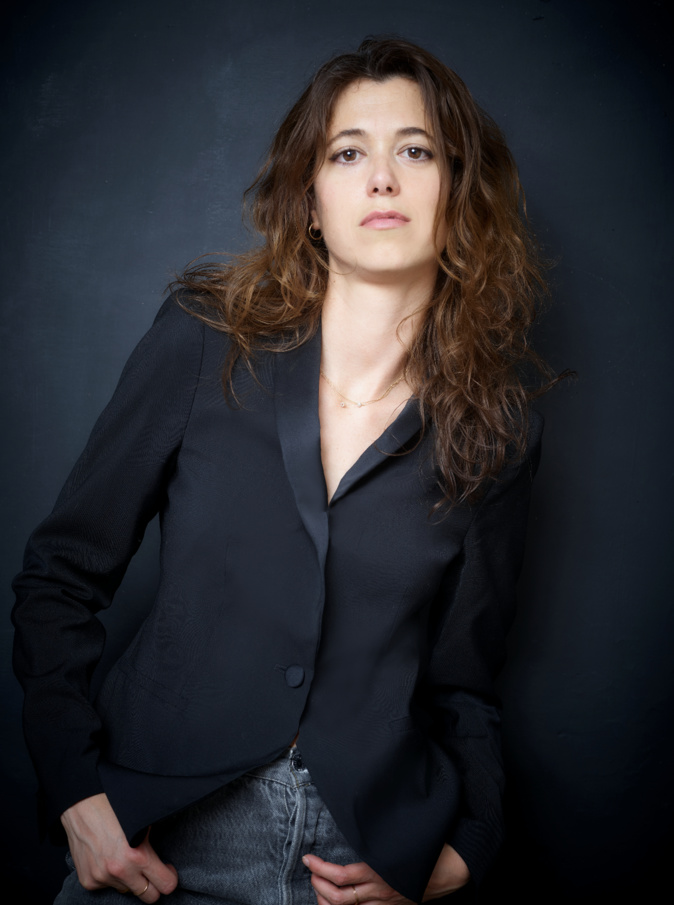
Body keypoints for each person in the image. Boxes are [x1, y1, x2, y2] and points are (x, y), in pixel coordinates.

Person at [12, 36, 556, 905]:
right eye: (348, 154)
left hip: (360, 857)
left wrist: (466, 845)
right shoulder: (205, 340)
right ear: (309, 200)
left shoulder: (498, 427)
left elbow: (464, 682)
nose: (383, 179)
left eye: (417, 151)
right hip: (159, 840)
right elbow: (59, 577)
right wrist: (74, 788)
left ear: (460, 192)